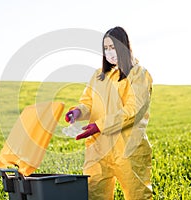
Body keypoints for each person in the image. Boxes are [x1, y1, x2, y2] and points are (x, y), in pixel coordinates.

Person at [65, 26, 153, 200]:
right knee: (95, 194)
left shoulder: (138, 74)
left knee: (137, 195)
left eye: (113, 47)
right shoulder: (99, 76)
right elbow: (88, 103)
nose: (109, 52)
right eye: (106, 48)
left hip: (127, 147)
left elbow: (133, 110)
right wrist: (77, 112)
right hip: (98, 148)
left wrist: (99, 126)